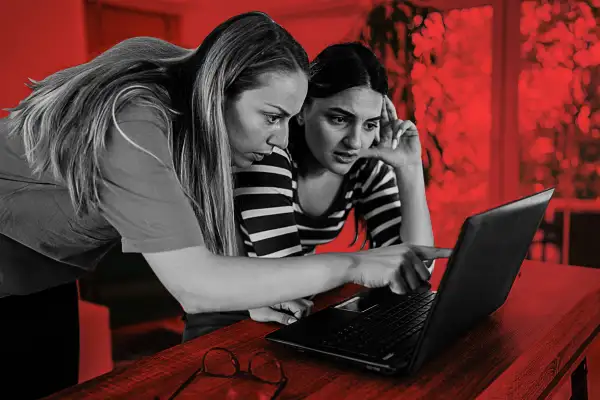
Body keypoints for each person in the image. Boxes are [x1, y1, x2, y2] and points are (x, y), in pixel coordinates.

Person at [0, 12, 448, 398]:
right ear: (218, 93)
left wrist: (250, 295)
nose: (280, 140)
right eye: (272, 117)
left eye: (289, 120)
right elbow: (195, 287)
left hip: (46, 273)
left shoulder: (186, 105)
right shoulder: (135, 119)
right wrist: (354, 264)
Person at [182, 42, 439, 341]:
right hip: (227, 323)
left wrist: (409, 169)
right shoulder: (270, 157)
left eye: (369, 124)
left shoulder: (363, 166)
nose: (355, 141)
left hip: (293, 312)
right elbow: (286, 276)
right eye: (339, 119)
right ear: (303, 111)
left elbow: (416, 269)